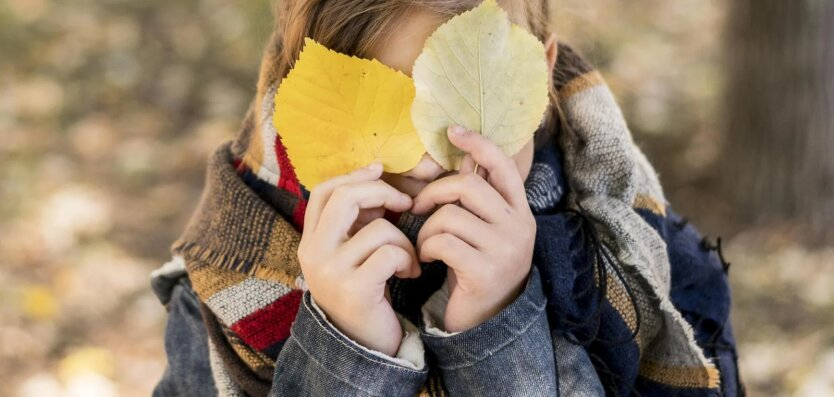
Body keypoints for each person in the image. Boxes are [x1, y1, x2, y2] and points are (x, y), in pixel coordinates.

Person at [150, 1, 743, 396]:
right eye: (387, 112)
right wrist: (343, 351)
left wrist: (497, 330)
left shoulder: (647, 262)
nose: (432, 163)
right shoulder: (225, 289)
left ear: (540, 71)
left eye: (458, 113)